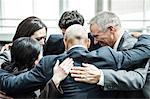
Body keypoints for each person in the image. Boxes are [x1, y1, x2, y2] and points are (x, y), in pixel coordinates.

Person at [0, 24, 150, 98]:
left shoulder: (49, 63)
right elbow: (140, 53)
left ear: (65, 42)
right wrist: (143, 36)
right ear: (89, 43)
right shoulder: (107, 55)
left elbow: (12, 84)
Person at [70, 11, 150, 98]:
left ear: (111, 29)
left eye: (97, 36)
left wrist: (101, 76)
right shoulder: (102, 44)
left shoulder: (134, 45)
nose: (95, 41)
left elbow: (137, 79)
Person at [0, 37, 74, 98]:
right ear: (34, 60)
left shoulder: (5, 70)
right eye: (40, 58)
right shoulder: (31, 81)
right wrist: (55, 81)